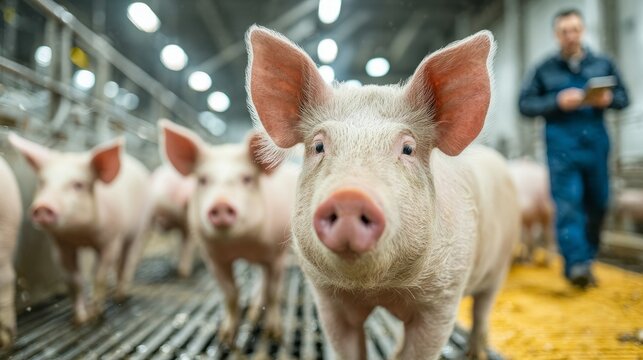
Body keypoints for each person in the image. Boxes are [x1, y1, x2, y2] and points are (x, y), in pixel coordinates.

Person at [518, 8, 629, 289]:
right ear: (557, 35)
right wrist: (556, 102)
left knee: (599, 203)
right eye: (564, 31)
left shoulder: (603, 64)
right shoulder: (544, 70)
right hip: (561, 149)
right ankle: (575, 264)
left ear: (583, 31)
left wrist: (608, 98)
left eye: (575, 29)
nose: (570, 36)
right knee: (568, 205)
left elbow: (624, 97)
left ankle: (586, 259)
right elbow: (525, 105)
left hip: (595, 145)